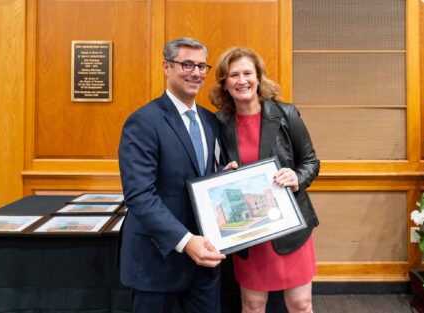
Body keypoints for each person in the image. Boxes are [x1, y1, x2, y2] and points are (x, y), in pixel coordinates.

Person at [118, 37, 226, 313]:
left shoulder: (210, 120)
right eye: (186, 64)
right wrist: (186, 241)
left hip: (205, 261)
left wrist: (223, 179)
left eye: (202, 66)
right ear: (167, 67)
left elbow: (202, 179)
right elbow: (140, 195)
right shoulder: (143, 121)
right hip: (157, 259)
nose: (196, 73)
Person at [209, 47, 320, 313]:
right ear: (225, 83)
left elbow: (311, 162)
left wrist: (296, 176)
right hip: (248, 231)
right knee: (252, 304)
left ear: (259, 77)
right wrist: (220, 177)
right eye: (233, 75)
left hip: (290, 227)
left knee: (301, 304)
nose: (241, 80)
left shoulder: (286, 114)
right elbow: (209, 172)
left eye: (247, 72)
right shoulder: (217, 123)